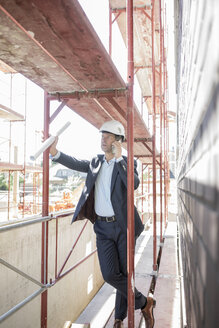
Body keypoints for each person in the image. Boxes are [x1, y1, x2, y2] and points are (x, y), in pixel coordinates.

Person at [49, 120, 156, 328]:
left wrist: (118, 160)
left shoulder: (127, 162)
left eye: (107, 137)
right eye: (101, 136)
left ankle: (118, 317)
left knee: (124, 274)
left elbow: (133, 184)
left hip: (124, 227)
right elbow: (75, 163)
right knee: (110, 274)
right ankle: (144, 302)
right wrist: (56, 153)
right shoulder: (96, 162)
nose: (102, 140)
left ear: (118, 141)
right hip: (103, 229)